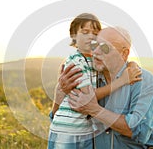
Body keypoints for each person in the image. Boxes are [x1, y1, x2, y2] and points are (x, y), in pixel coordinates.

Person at [48, 14, 142, 149]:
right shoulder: (76, 61)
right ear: (74, 36)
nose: (91, 37)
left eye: (95, 33)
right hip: (67, 130)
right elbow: (88, 97)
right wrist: (122, 81)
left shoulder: (93, 61)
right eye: (85, 32)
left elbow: (115, 63)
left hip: (85, 130)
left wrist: (132, 64)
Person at [61, 27, 153, 148]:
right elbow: (60, 117)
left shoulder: (144, 81)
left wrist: (94, 109)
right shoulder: (87, 79)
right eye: (94, 45)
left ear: (124, 53)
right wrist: (62, 92)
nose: (96, 52)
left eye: (105, 47)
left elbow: (138, 130)